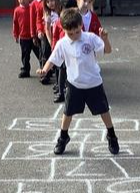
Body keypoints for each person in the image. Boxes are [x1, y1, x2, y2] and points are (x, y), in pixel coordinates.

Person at [37, 8, 119, 155]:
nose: (74, 35)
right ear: (63, 29)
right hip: (74, 84)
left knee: (104, 110)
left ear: (81, 25)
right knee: (67, 112)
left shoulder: (90, 38)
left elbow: (107, 50)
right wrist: (44, 70)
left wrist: (105, 39)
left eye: (77, 31)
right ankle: (63, 137)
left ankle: (111, 135)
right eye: (70, 33)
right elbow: (53, 59)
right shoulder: (62, 43)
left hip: (93, 83)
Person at [12, 0, 39, 78]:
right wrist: (15, 35)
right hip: (23, 37)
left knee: (40, 53)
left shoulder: (33, 7)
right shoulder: (17, 10)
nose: (22, 0)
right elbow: (15, 23)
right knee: (25, 55)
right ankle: (25, 70)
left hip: (34, 36)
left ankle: (46, 69)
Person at [30, 0, 50, 84]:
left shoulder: (49, 1)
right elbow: (33, 20)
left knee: (51, 52)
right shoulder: (33, 4)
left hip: (51, 31)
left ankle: (50, 70)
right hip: (42, 33)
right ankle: (44, 74)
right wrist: (34, 35)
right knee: (43, 53)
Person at [40, 0, 61, 88]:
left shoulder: (61, 11)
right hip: (51, 38)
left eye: (52, 0)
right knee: (49, 56)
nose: (50, 3)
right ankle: (47, 75)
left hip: (61, 36)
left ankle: (60, 81)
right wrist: (51, 41)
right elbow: (47, 29)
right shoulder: (48, 14)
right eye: (47, 2)